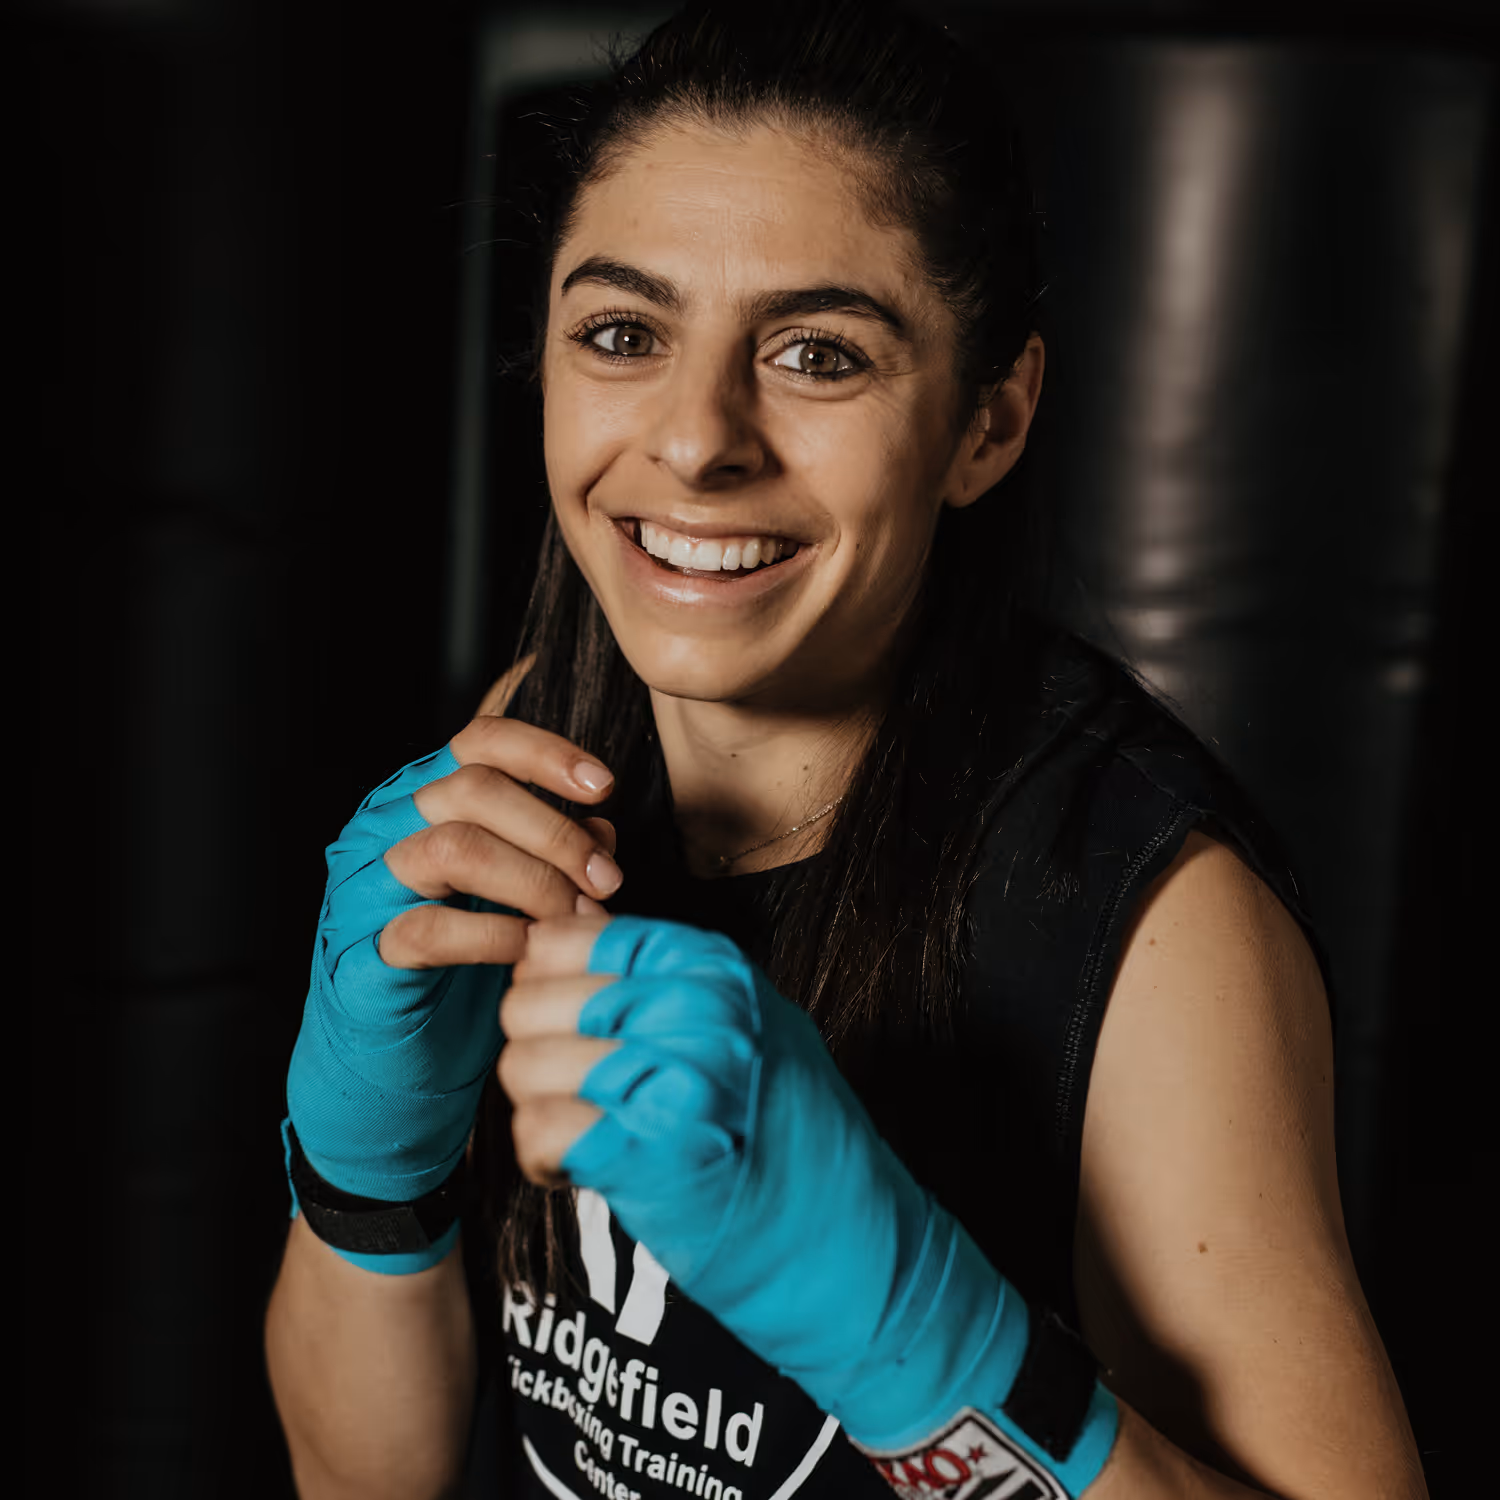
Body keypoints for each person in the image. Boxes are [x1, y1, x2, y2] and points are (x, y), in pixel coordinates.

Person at [263, 3, 1427, 1496]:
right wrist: (367, 1181)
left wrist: (928, 1345)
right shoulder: (541, 744)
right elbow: (365, 1478)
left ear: (988, 423)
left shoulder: (1142, 924)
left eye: (816, 355)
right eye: (623, 333)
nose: (696, 440)